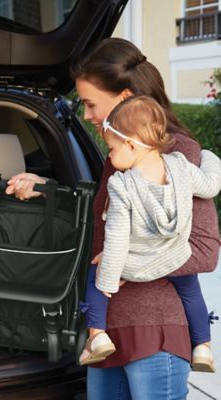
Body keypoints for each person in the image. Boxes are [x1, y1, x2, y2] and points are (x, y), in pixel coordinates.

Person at [6, 38, 220, 399]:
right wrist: (47, 189)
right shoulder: (119, 155)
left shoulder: (178, 155)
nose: (86, 115)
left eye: (91, 104)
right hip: (109, 329)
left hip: (156, 331)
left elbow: (204, 251)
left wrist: (127, 262)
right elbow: (109, 220)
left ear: (125, 98)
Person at [76, 95, 220, 373]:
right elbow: (211, 185)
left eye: (112, 149)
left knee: (96, 274)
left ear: (131, 145)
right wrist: (210, 157)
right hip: (177, 257)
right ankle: (203, 347)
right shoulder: (181, 167)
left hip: (136, 263)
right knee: (191, 291)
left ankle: (97, 337)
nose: (109, 156)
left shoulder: (122, 185)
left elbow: (116, 239)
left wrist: (109, 278)